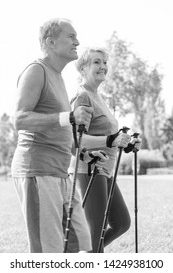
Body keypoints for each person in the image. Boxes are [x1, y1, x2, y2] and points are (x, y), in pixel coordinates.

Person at [11, 19, 108, 253]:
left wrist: (84, 154)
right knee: (49, 251)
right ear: (51, 42)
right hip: (38, 170)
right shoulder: (37, 71)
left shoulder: (58, 76)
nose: (77, 41)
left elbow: (61, 129)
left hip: (61, 173)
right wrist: (69, 117)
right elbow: (20, 120)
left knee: (80, 242)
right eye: (71, 36)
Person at [69, 47, 142, 252]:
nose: (103, 66)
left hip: (105, 169)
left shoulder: (98, 96)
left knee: (121, 223)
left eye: (104, 62)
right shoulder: (82, 96)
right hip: (89, 169)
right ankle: (87, 257)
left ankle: (85, 255)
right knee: (95, 233)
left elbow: (107, 137)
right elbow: (75, 140)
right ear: (83, 68)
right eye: (96, 62)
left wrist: (126, 143)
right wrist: (112, 140)